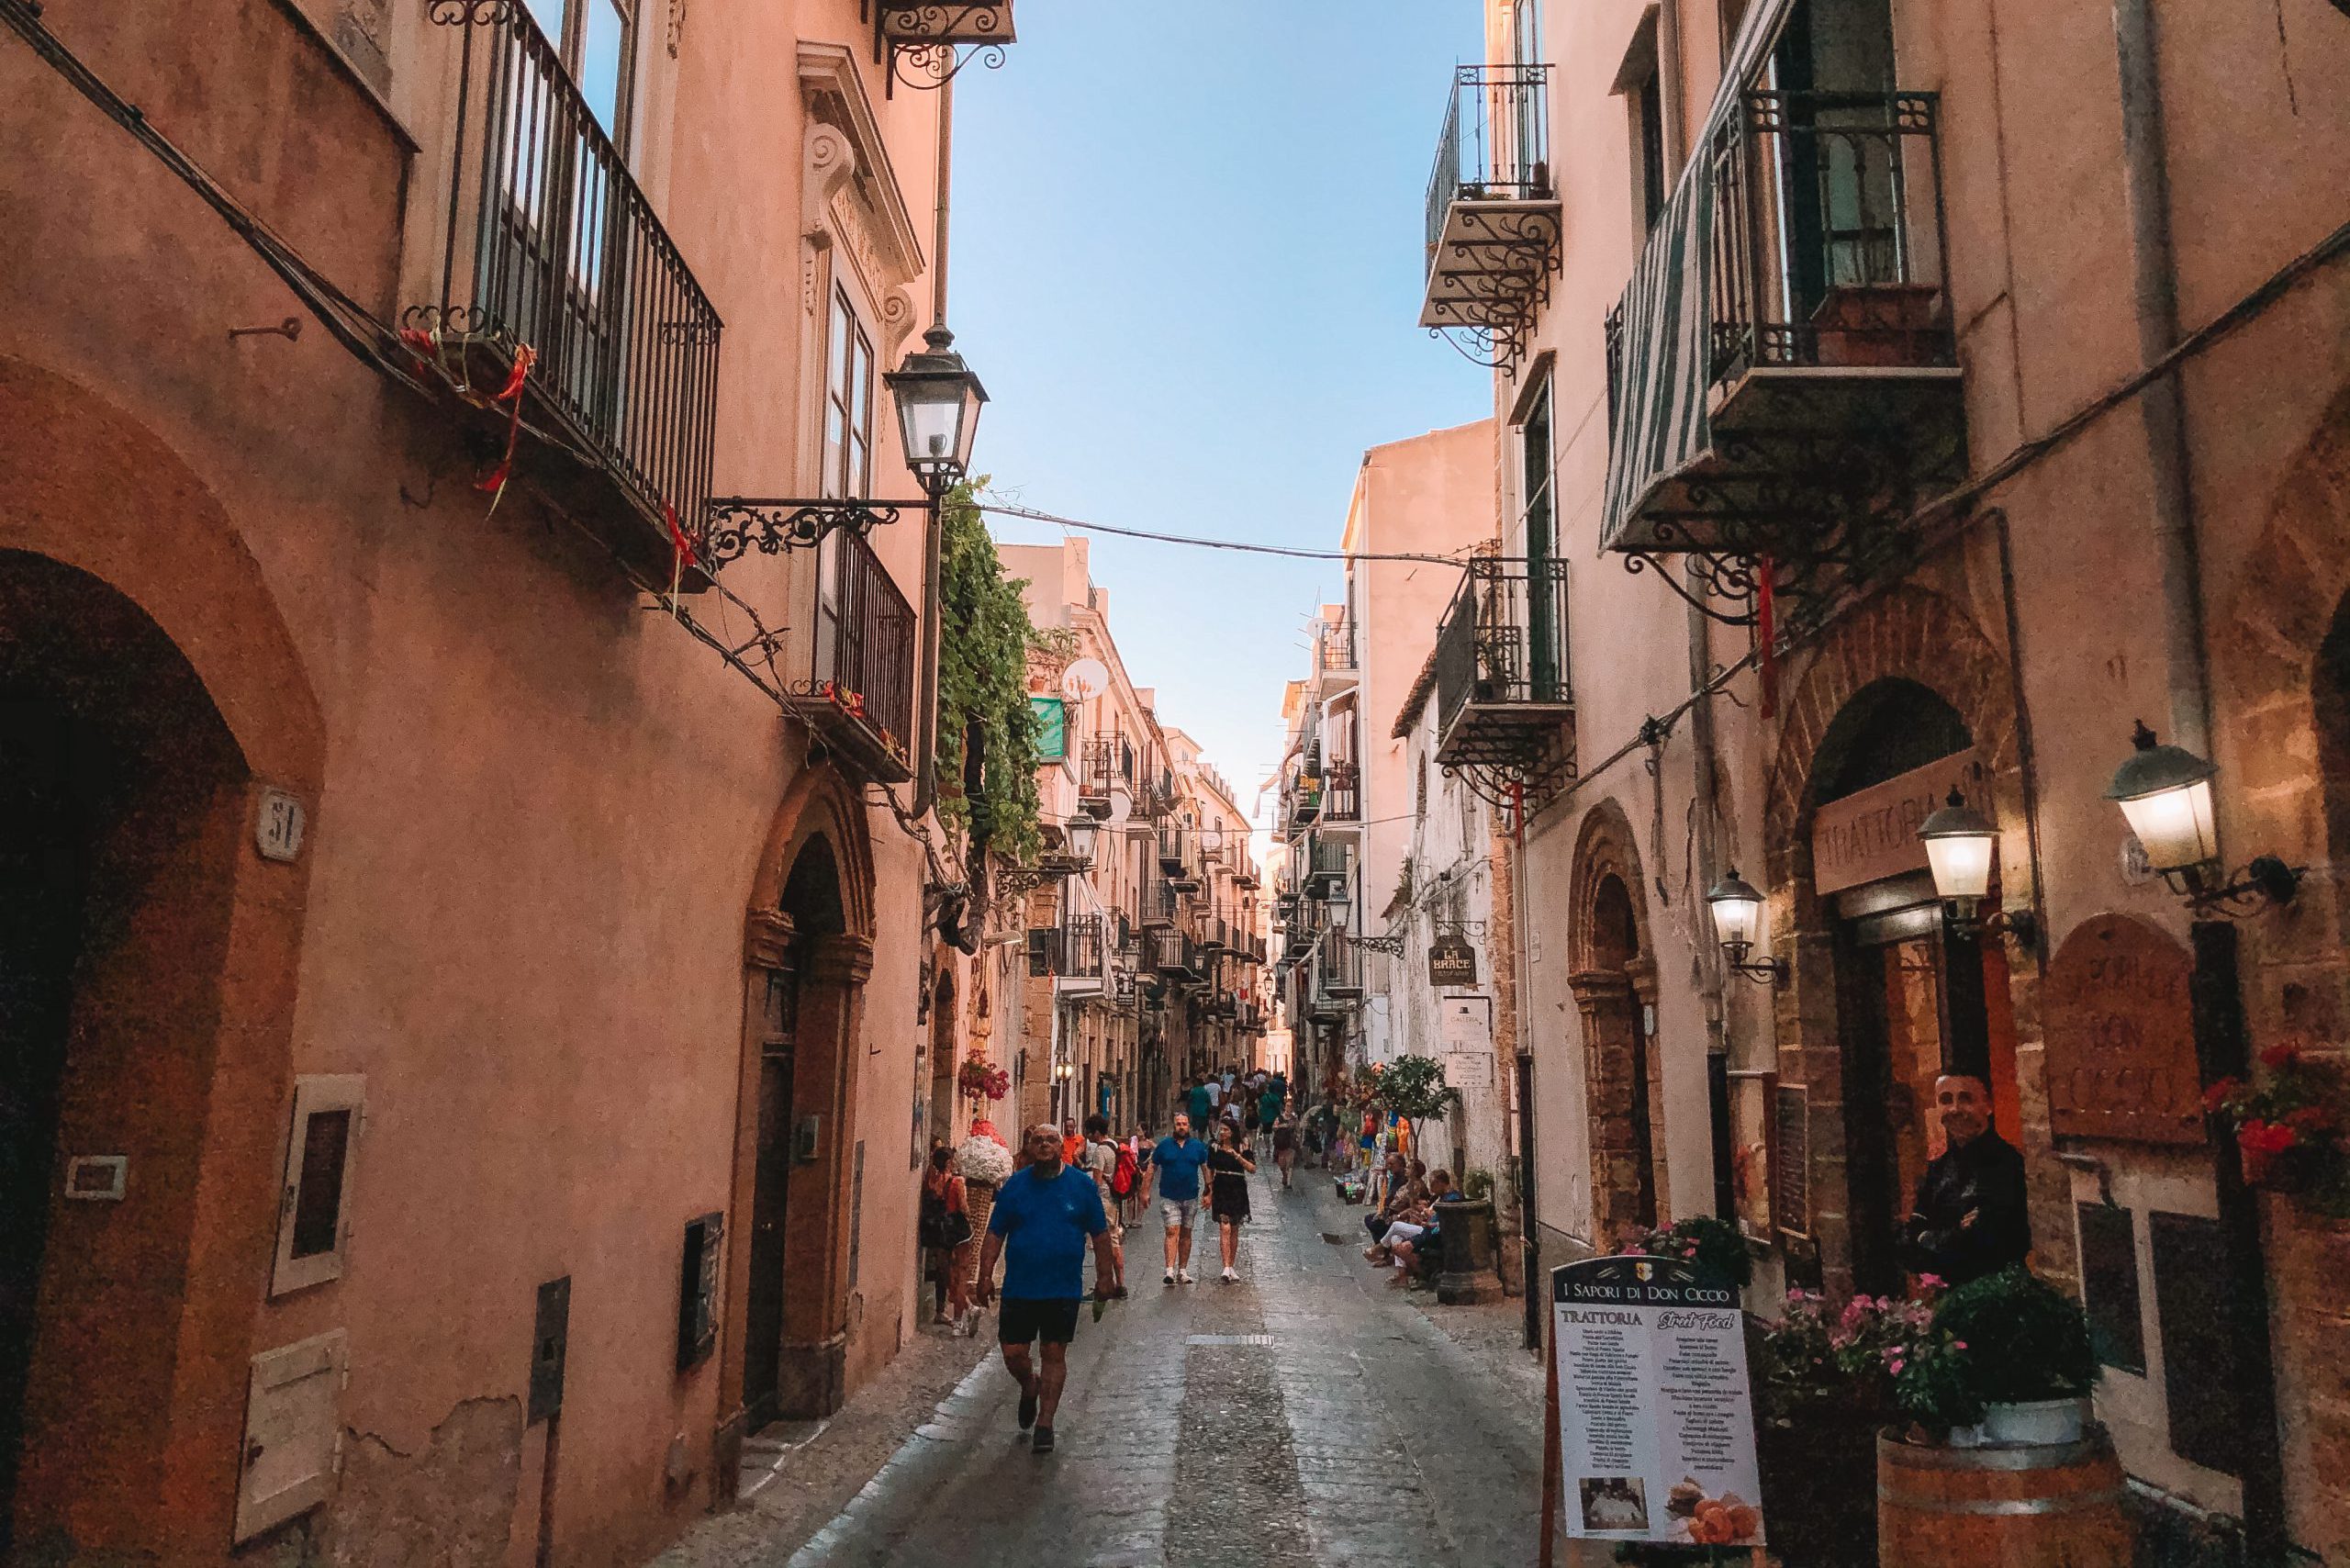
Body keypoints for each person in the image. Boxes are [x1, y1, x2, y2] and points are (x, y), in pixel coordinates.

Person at [974, 1123, 1113, 1455]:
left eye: (1051, 1140)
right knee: (1013, 1353)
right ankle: (1029, 1384)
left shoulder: (1081, 1187)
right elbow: (995, 1234)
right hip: (1019, 1287)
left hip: (1062, 1287)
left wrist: (1105, 1277)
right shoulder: (1015, 1187)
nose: (1045, 1145)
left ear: (1061, 1146)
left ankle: (1046, 1423)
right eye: (1038, 1140)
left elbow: (1100, 1234)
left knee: (1054, 1353)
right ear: (1030, 1147)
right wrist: (984, 1274)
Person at [1898, 1073, 2031, 1284]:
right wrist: (1954, 1232)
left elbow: (1983, 1244)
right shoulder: (1938, 1168)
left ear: (1988, 1106)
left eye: (1966, 1099)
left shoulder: (2006, 1164)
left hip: (1998, 1293)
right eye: (1946, 1100)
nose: (1955, 1109)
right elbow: (1908, 1248)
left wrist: (1928, 1236)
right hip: (1950, 1293)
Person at [1152, 1111, 1213, 1284]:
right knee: (1172, 1230)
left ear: (1189, 1126)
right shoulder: (1164, 1146)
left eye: (1184, 1124)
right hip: (1169, 1196)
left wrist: (1209, 1192)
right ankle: (1169, 1270)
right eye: (1178, 1124)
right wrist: (1145, 1191)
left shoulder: (1197, 1147)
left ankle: (1183, 1270)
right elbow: (1152, 1167)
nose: (1181, 1127)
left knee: (1186, 1232)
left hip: (1191, 1196)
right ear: (1174, 1125)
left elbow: (1205, 1168)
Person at [920, 1146, 976, 1332]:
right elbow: (963, 1207)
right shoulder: (956, 1181)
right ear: (949, 1162)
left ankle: (947, 1309)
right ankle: (961, 1317)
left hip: (939, 1232)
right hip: (958, 1232)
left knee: (945, 1273)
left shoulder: (931, 1181)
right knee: (960, 1274)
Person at [1080, 1114, 1127, 1300]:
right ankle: (1120, 1284)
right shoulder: (1115, 1146)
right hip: (1115, 1201)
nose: (1088, 1136)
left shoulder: (1100, 1151)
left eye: (1089, 1132)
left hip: (1104, 1201)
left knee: (1103, 1245)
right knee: (1114, 1240)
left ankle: (1104, 1285)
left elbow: (1096, 1182)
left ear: (1096, 1132)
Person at [1207, 1121, 1257, 1282]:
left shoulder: (1242, 1146)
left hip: (1237, 1188)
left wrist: (1236, 1155)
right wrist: (1208, 1190)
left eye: (1226, 1130)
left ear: (1233, 1132)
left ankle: (1231, 1265)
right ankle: (1226, 1266)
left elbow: (1252, 1168)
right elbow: (1210, 1168)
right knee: (1225, 1227)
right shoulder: (1214, 1147)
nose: (1222, 1132)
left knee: (1234, 1228)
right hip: (1221, 1187)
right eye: (1221, 1129)